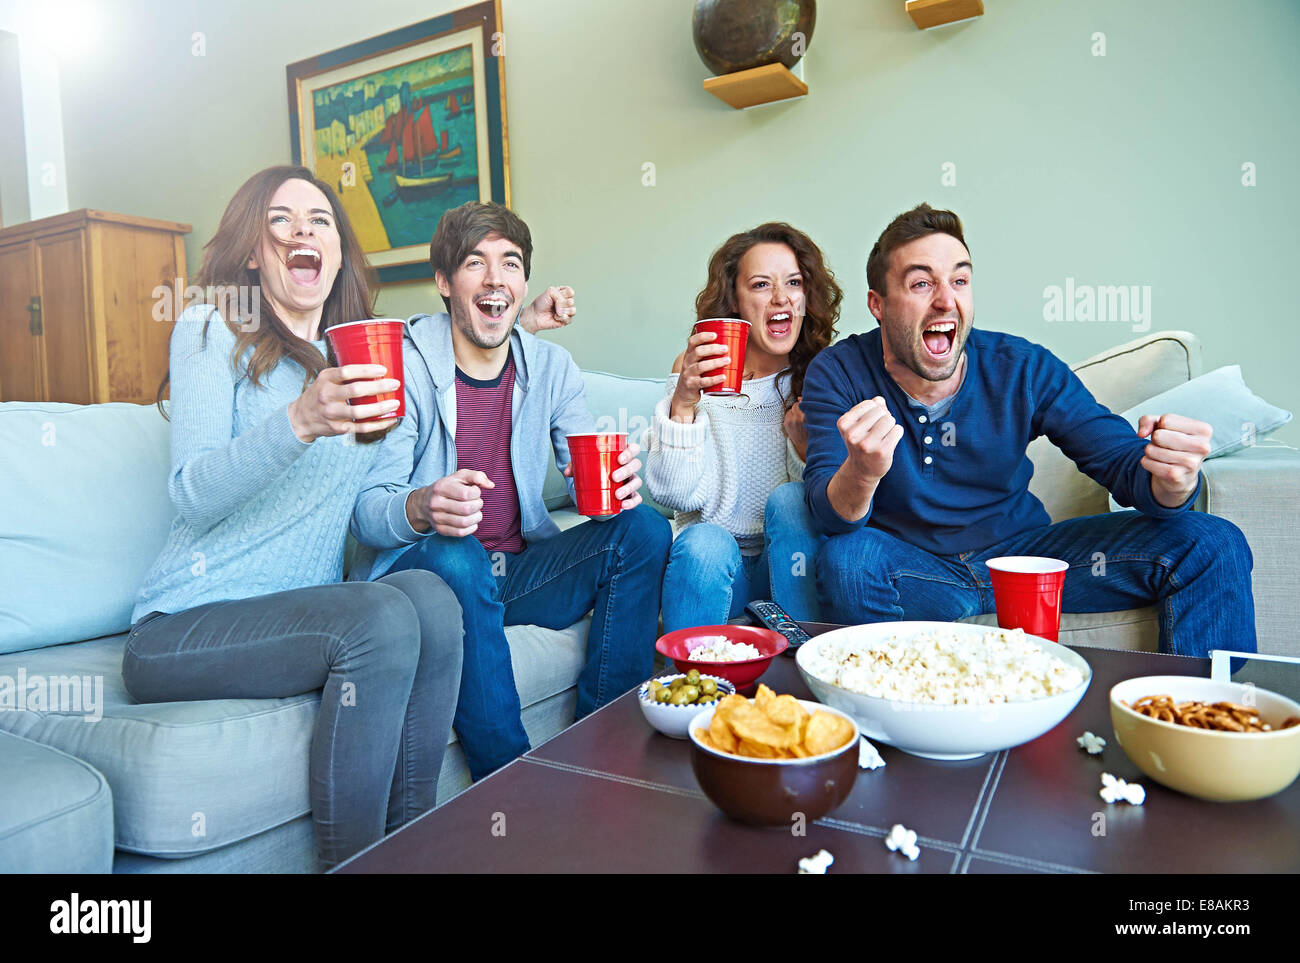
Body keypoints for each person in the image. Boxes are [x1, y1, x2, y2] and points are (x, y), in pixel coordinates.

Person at [124, 166, 465, 870]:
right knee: (377, 616)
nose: (304, 230)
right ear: (253, 249)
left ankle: (411, 854)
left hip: (295, 614)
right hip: (180, 626)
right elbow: (190, 489)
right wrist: (299, 421)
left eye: (321, 220)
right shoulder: (211, 329)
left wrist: (421, 505)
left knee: (430, 596)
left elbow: (368, 516)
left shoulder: (363, 359)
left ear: (338, 251)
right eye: (281, 219)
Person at [800, 203, 1256, 656]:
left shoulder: (1022, 367)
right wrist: (862, 471)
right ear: (877, 305)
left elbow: (1119, 460)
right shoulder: (839, 372)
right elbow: (829, 514)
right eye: (921, 283)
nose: (946, 299)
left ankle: (1208, 721)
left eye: (959, 280)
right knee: (848, 558)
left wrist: (1171, 480)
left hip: (1026, 563)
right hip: (916, 571)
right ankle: (890, 720)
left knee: (1213, 541)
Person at [350, 201, 672, 781]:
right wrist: (423, 505)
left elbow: (583, 465)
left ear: (524, 284)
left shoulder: (551, 367)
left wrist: (610, 483)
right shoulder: (402, 364)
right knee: (457, 551)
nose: (496, 278)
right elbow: (367, 514)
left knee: (644, 528)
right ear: (444, 283)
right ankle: (512, 781)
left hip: (514, 576)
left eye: (511, 263)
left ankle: (608, 752)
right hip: (426, 580)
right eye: (475, 263)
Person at [644, 223, 839, 631]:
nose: (781, 298)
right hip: (717, 567)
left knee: (790, 500)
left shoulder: (822, 374)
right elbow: (675, 494)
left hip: (785, 565)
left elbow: (827, 511)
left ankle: (800, 664)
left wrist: (804, 448)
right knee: (704, 540)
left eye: (794, 283)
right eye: (761, 284)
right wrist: (682, 405)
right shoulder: (695, 370)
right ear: (734, 298)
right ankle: (697, 686)